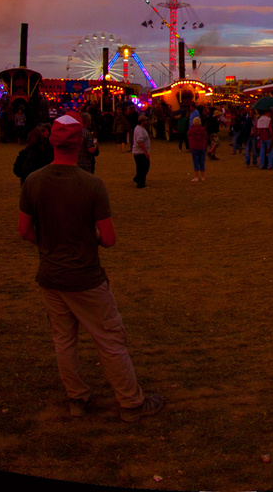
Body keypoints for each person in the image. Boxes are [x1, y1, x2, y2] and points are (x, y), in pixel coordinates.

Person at [18, 115, 164, 421]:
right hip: (85, 276)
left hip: (50, 275)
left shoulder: (34, 181)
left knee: (64, 340)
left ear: (51, 141)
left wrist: (50, 243)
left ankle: (77, 397)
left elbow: (25, 231)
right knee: (109, 339)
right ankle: (131, 402)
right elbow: (108, 239)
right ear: (81, 143)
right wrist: (89, 239)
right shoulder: (92, 185)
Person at [130, 114, 151, 188]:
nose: (147, 122)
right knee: (143, 168)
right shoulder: (139, 130)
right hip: (140, 152)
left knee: (142, 168)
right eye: (145, 121)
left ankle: (139, 180)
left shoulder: (140, 128)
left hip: (139, 152)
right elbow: (140, 142)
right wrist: (145, 152)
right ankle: (140, 182)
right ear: (142, 121)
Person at [186, 113, 208, 181]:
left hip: (195, 146)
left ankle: (196, 176)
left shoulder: (192, 130)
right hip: (202, 146)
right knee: (202, 161)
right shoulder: (202, 129)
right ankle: (202, 176)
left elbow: (188, 134)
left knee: (196, 161)